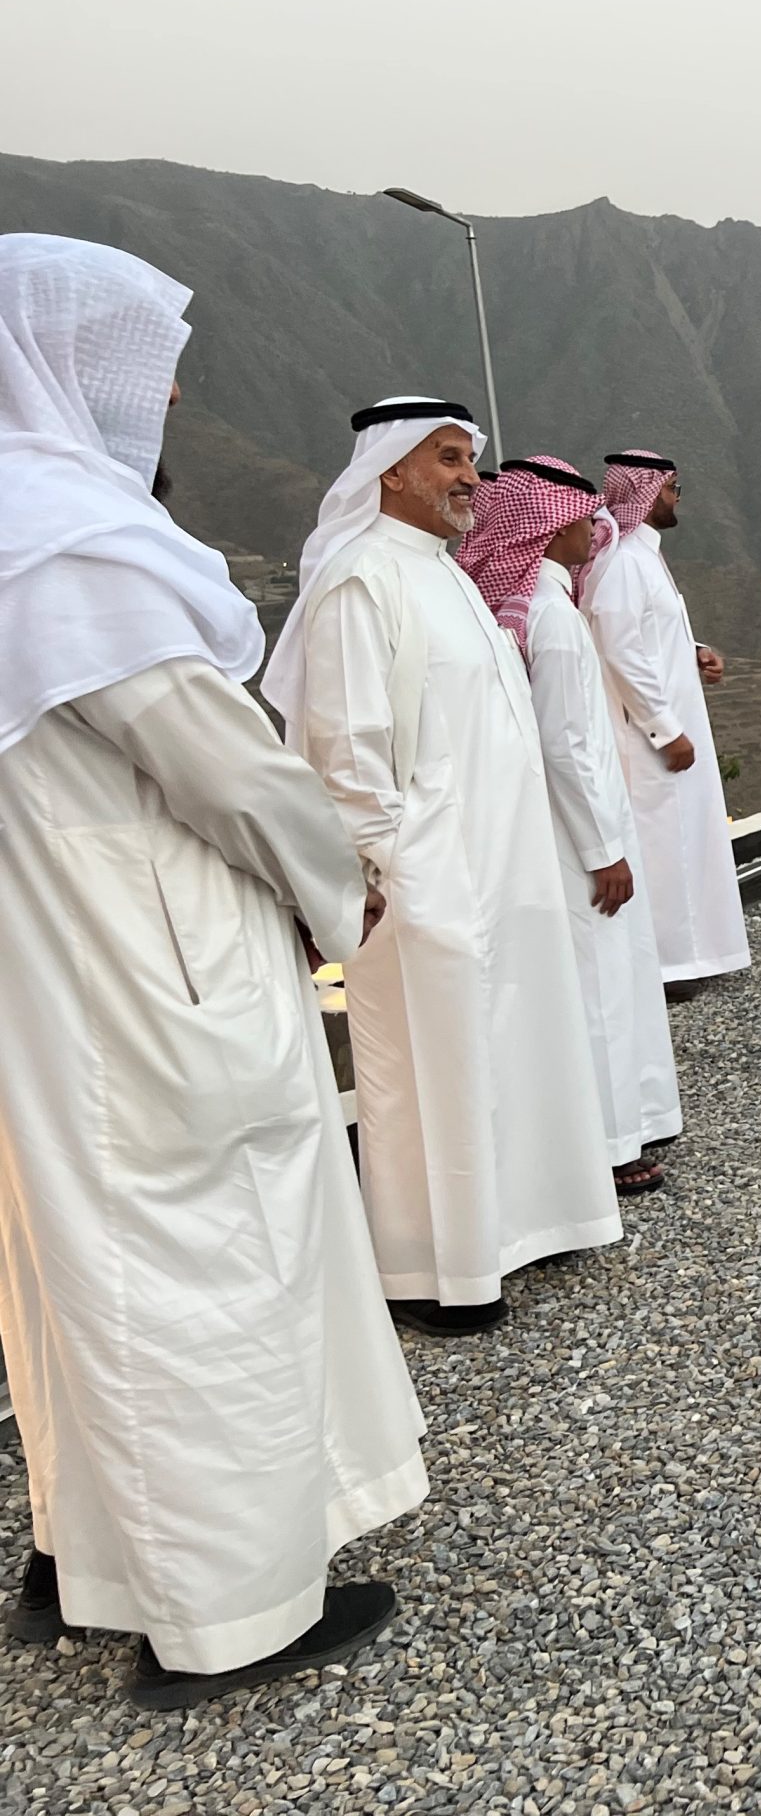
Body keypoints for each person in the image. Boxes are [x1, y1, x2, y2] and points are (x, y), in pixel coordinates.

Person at [0, 234, 423, 1705]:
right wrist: (339, 880)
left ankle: (87, 1558)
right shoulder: (53, 543)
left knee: (74, 1264)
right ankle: (234, 1608)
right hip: (144, 954)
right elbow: (225, 770)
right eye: (144, 361)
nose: (170, 390)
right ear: (63, 361)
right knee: (201, 1256)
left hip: (48, 962)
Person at [266, 398, 620, 1336]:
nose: (471, 476)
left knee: (498, 1051)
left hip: (499, 866)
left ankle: (516, 1230)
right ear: (389, 469)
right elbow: (347, 752)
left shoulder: (446, 574)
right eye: (449, 459)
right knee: (422, 1074)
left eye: (472, 459)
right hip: (420, 878)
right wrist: (384, 874)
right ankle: (435, 1272)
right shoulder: (360, 580)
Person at [455, 459, 683, 1196]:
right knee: (598, 991)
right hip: (575, 836)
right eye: (585, 520)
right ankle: (610, 1144)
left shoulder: (549, 604)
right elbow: (566, 744)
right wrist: (602, 850)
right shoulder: (551, 619)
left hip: (581, 824)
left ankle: (629, 1120)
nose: (598, 530)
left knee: (614, 979)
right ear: (550, 530)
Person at [581, 450, 750, 989]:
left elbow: (650, 630)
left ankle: (695, 955)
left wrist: (695, 649)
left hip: (670, 725)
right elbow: (618, 645)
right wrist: (663, 728)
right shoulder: (624, 560)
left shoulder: (644, 556)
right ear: (649, 492)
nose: (678, 497)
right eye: (674, 487)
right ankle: (669, 965)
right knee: (661, 845)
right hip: (645, 737)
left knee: (684, 841)